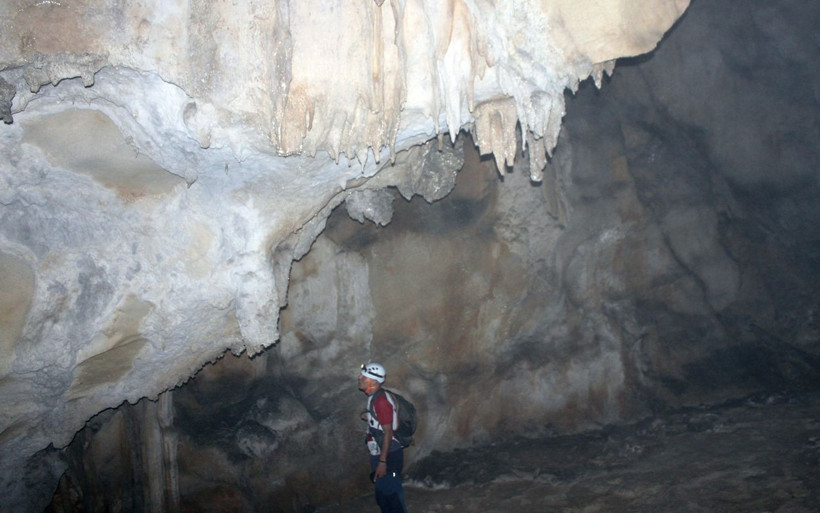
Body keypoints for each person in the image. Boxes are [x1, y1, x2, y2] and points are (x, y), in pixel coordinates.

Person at [359, 362, 409, 513]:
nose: (359, 377)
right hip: (382, 454)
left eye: (363, 376)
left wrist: (382, 461)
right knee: (383, 493)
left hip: (389, 456)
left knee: (391, 492)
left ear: (372, 382)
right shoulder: (376, 396)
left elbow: (388, 432)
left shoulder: (381, 401)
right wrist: (368, 416)